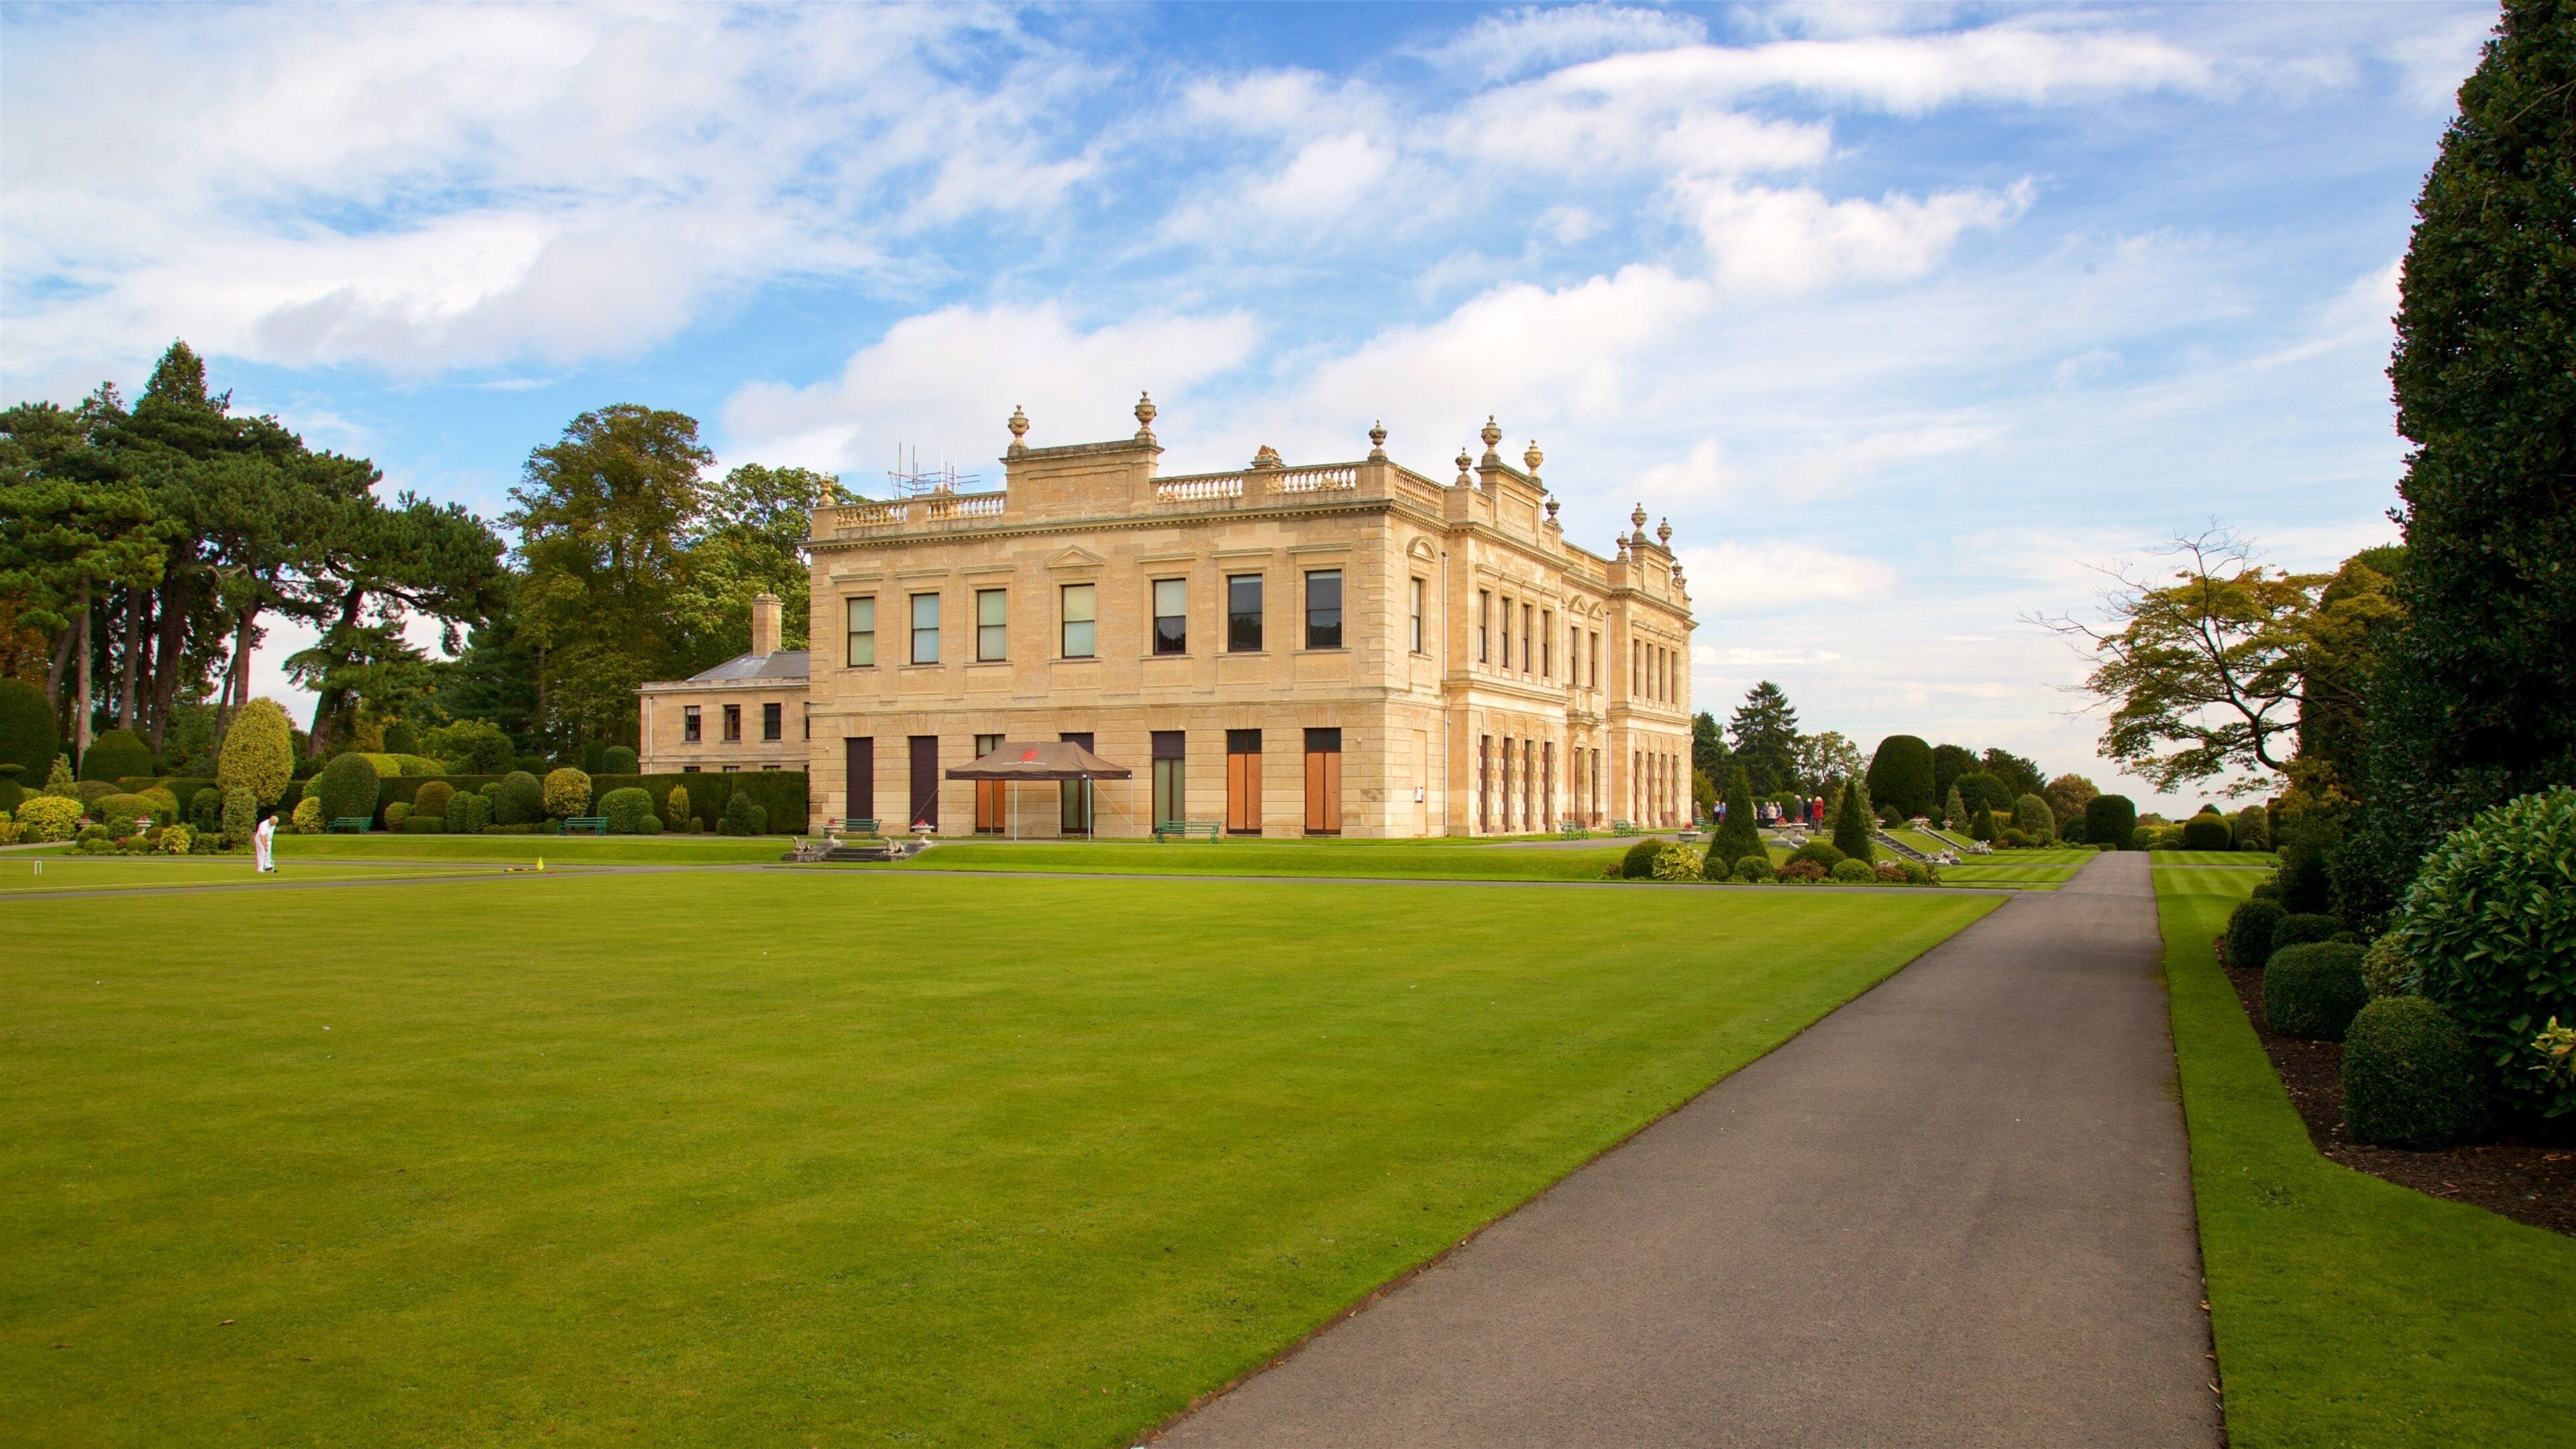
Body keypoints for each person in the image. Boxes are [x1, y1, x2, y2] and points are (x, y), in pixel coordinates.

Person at [253, 808, 276, 874]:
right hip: (260, 841)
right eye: (273, 823)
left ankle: (267, 866)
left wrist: (268, 844)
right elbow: (262, 836)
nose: (274, 825)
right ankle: (260, 868)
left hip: (268, 840)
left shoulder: (273, 824)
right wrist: (265, 846)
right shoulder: (263, 825)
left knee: (268, 853)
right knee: (262, 853)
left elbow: (269, 834)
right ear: (271, 821)